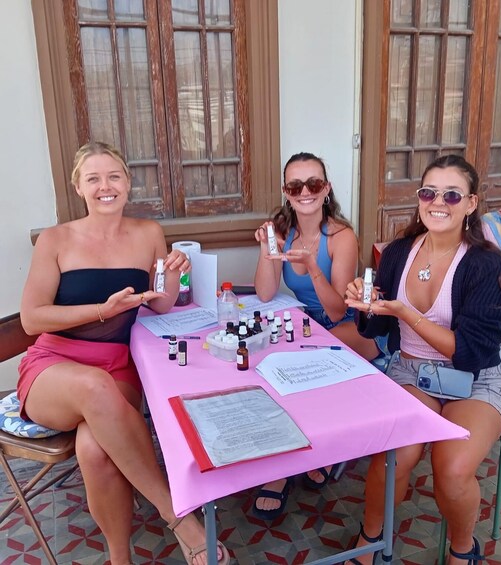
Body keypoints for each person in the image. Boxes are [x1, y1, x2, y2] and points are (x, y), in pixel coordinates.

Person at [17, 142, 228, 565]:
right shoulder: (55, 240)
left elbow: (161, 303)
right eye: (93, 178)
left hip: (116, 365)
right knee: (93, 387)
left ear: (128, 184)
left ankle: (119, 559)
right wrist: (102, 310)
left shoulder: (148, 233)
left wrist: (173, 272)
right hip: (53, 366)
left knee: (95, 449)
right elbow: (31, 319)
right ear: (79, 187)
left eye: (114, 176)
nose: (105, 186)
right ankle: (178, 517)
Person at [343, 154, 501, 565]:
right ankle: (369, 542)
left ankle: (463, 550)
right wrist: (364, 305)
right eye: (429, 192)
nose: (438, 202)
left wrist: (406, 313)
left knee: (452, 468)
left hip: (475, 381)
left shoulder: (487, 264)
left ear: (471, 203)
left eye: (452, 195)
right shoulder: (398, 252)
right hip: (410, 372)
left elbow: (470, 351)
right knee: (394, 458)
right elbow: (376, 329)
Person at [252, 151, 381, 520]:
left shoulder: (341, 236)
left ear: (326, 189)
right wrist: (266, 249)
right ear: (286, 192)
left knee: (302, 362)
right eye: (296, 186)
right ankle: (282, 461)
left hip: (353, 326)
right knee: (268, 361)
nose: (305, 192)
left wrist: (311, 267)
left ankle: (318, 452)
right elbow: (265, 293)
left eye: (314, 183)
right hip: (312, 324)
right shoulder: (284, 230)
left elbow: (340, 310)